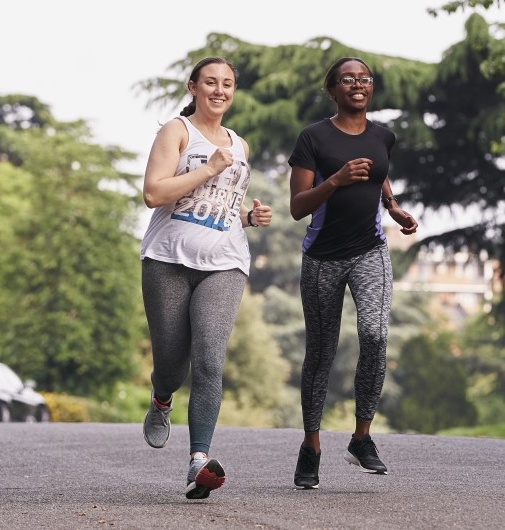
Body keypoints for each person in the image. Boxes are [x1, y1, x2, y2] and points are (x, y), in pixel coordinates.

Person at [139, 56, 272, 500]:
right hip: (167, 260)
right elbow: (154, 192)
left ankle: (199, 460)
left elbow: (225, 201)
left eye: (228, 84)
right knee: (172, 362)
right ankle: (161, 399)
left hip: (225, 262)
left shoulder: (240, 144)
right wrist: (209, 167)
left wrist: (249, 216)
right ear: (193, 87)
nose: (219, 90)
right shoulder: (176, 131)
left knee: (211, 358)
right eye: (210, 82)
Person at [288, 56, 419, 489]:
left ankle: (362, 438)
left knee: (377, 335)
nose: (358, 85)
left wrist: (393, 206)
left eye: (365, 79)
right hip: (323, 256)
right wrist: (336, 180)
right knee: (322, 352)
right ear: (333, 88)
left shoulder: (383, 135)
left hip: (371, 251)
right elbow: (297, 206)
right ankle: (311, 447)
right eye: (348, 79)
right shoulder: (314, 137)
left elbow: (380, 175)